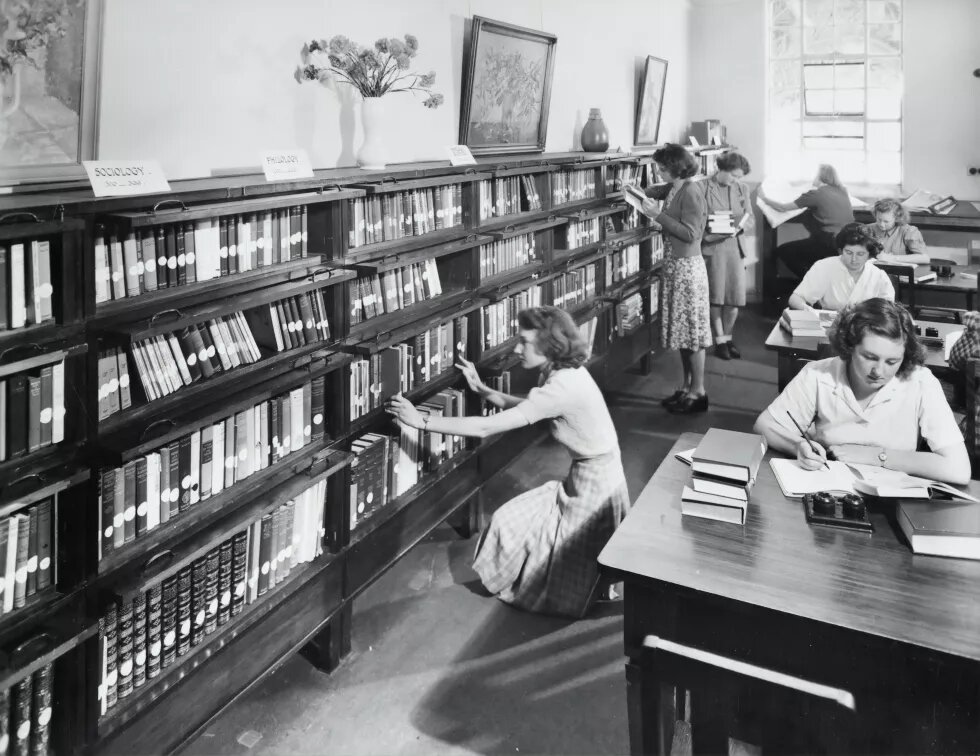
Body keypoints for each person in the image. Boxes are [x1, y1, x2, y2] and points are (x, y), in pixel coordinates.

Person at [385, 306, 630, 618]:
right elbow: (533, 406)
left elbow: (488, 426)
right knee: (530, 533)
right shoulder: (564, 373)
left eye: (524, 342)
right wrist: (484, 391)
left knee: (561, 562)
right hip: (593, 474)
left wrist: (421, 422)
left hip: (595, 487)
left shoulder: (562, 386)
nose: (517, 348)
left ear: (549, 346)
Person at [754, 298, 970, 485]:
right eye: (869, 357)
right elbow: (764, 425)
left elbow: (958, 469)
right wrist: (798, 445)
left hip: (895, 500)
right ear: (849, 346)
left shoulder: (921, 382)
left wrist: (877, 456)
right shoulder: (819, 374)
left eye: (892, 361)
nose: (879, 371)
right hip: (827, 487)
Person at [639, 143, 711, 413]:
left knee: (692, 335)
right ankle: (687, 387)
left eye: (662, 167)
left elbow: (691, 234)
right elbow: (655, 192)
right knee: (683, 334)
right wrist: (633, 190)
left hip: (687, 270)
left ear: (676, 167)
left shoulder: (691, 191)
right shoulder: (675, 187)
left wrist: (657, 216)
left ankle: (699, 392)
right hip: (675, 266)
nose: (658, 171)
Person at [759, 163, 855, 279]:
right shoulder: (842, 191)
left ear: (819, 177)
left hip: (828, 242)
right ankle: (815, 281)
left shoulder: (815, 194)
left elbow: (782, 208)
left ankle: (811, 282)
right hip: (845, 241)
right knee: (810, 248)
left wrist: (764, 198)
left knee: (783, 251)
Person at [701, 151, 753, 360]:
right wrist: (715, 229)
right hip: (714, 247)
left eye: (740, 177)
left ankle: (728, 337)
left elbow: (749, 216)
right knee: (716, 297)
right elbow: (699, 219)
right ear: (721, 169)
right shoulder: (703, 187)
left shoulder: (742, 188)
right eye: (733, 175)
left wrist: (743, 224)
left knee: (734, 297)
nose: (736, 180)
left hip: (735, 246)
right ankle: (720, 339)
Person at [787, 223, 894, 312]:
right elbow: (795, 298)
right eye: (848, 252)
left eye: (860, 254)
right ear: (841, 250)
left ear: (869, 254)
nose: (853, 259)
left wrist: (864, 309)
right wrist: (808, 310)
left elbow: (889, 309)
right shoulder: (824, 267)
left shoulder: (878, 275)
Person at [861, 198, 930, 265]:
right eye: (879, 219)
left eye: (886, 221)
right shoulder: (868, 229)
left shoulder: (909, 231)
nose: (881, 224)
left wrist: (891, 258)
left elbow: (925, 258)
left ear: (897, 218)